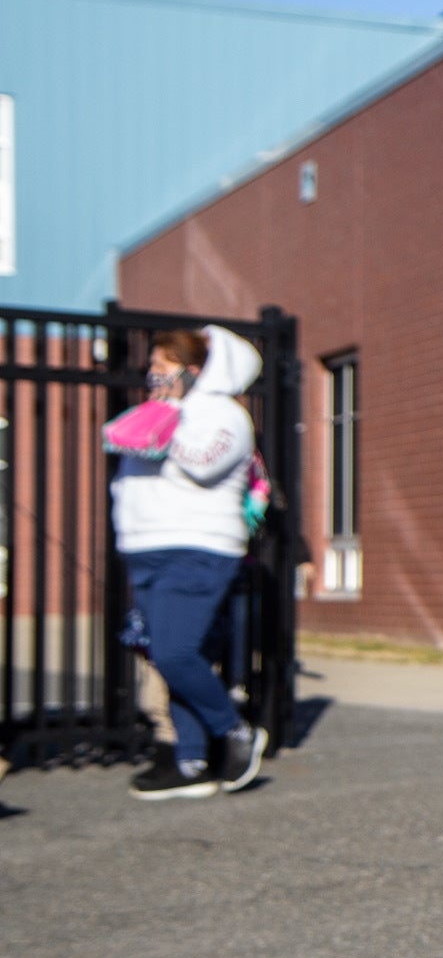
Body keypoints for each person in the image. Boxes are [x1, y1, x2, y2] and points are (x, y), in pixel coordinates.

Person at [110, 326, 268, 800]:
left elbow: (203, 462)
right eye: (154, 362)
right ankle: (191, 761)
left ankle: (234, 731)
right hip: (146, 547)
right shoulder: (162, 410)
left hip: (197, 548)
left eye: (165, 363)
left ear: (197, 370)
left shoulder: (227, 416)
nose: (154, 371)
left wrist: (167, 420)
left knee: (175, 654)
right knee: (173, 656)